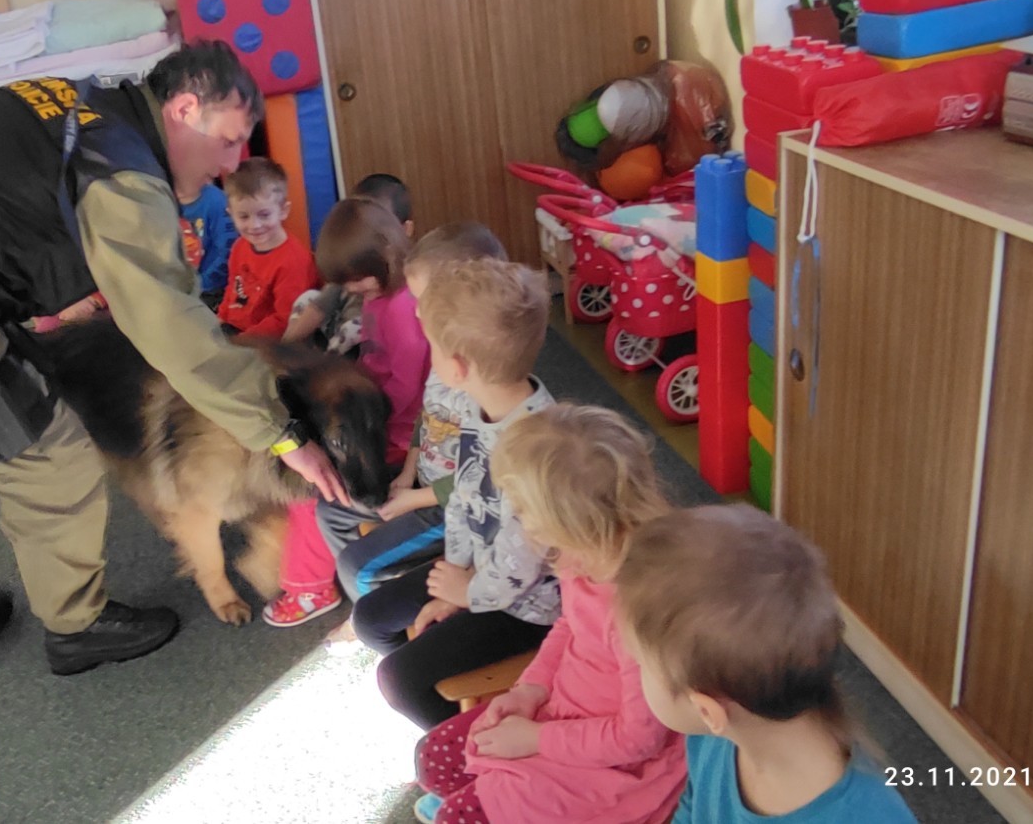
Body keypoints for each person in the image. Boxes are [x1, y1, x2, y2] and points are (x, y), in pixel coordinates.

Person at [0, 40, 347, 676]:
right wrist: (280, 433)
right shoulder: (125, 173)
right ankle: (77, 626)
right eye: (229, 140)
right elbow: (171, 328)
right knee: (52, 458)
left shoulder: (74, 102)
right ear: (185, 109)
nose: (232, 164)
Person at [412, 404, 686, 824]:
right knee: (433, 760)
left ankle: (491, 795)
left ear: (568, 522)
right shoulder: (584, 556)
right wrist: (530, 689)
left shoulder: (638, 610)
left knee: (456, 816)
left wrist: (537, 740)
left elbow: (638, 739)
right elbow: (569, 625)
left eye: (522, 511)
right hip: (558, 711)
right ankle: (490, 792)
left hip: (610, 765)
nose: (516, 521)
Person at [352, 259, 560, 727]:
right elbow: (465, 497)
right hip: (482, 572)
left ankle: (464, 749)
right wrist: (458, 572)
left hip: (527, 604)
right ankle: (447, 690)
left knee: (398, 680)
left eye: (433, 346)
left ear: (459, 367)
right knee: (370, 618)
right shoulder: (477, 405)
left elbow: (524, 562)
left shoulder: (536, 450)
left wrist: (467, 593)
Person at [615, 505, 918, 823]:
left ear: (706, 710)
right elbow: (693, 807)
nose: (637, 672)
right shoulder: (710, 735)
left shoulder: (868, 816)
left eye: (641, 664)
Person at [264, 198, 429, 626]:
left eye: (358, 281)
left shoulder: (402, 308)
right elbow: (375, 361)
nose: (353, 290)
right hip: (375, 416)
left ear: (387, 256)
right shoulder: (379, 296)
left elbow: (406, 387)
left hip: (393, 433)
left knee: (317, 488)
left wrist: (358, 417)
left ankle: (311, 587)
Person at [329, 222, 506, 603]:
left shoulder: (489, 388)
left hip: (450, 508)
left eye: (423, 301)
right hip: (421, 483)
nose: (416, 311)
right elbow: (427, 419)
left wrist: (414, 498)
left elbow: (481, 481)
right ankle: (383, 587)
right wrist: (407, 475)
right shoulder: (443, 360)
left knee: (356, 567)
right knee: (332, 509)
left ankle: (370, 612)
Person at [281, 172, 415, 350]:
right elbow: (320, 306)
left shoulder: (411, 273)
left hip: (369, 339)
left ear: (405, 229)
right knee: (307, 299)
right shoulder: (350, 263)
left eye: (380, 227)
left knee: (355, 328)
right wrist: (285, 345)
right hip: (336, 332)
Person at [216, 157, 320, 339]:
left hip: (268, 342)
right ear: (231, 215)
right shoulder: (240, 247)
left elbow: (285, 320)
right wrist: (220, 319)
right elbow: (232, 288)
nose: (254, 225)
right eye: (243, 216)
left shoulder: (292, 261)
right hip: (235, 330)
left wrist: (242, 340)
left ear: (283, 211)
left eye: (264, 215)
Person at [182, 179, 236, 310]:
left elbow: (228, 252)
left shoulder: (216, 201)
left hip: (209, 289)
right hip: (178, 285)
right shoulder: (164, 198)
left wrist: (201, 284)